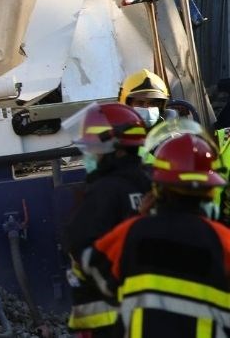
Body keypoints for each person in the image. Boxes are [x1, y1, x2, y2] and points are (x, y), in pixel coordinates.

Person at [81, 134, 230, 336]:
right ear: (210, 191)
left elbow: (89, 268)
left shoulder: (131, 232)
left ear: (157, 187)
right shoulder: (223, 241)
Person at [61, 103, 149, 337]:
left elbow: (79, 242)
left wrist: (110, 288)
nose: (88, 155)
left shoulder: (105, 191)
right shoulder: (149, 185)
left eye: (93, 149)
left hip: (108, 320)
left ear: (117, 151)